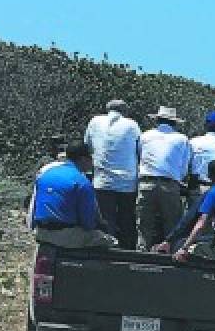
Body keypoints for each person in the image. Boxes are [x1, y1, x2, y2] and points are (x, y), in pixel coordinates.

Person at [30, 142, 116, 249]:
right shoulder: (82, 182)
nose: (92, 162)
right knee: (109, 241)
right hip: (65, 235)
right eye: (91, 158)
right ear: (83, 159)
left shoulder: (46, 174)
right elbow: (88, 224)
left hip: (40, 232)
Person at [83, 99, 141, 249]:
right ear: (124, 111)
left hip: (102, 180)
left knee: (105, 219)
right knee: (126, 220)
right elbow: (139, 150)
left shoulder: (95, 121)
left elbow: (88, 145)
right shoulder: (132, 125)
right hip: (127, 182)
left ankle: (107, 250)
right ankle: (126, 251)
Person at [137, 105, 191, 249]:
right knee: (172, 224)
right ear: (174, 123)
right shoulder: (182, 139)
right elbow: (184, 167)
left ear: (157, 120)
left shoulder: (145, 135)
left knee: (144, 224)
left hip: (147, 182)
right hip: (170, 184)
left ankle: (142, 254)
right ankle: (171, 255)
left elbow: (139, 156)